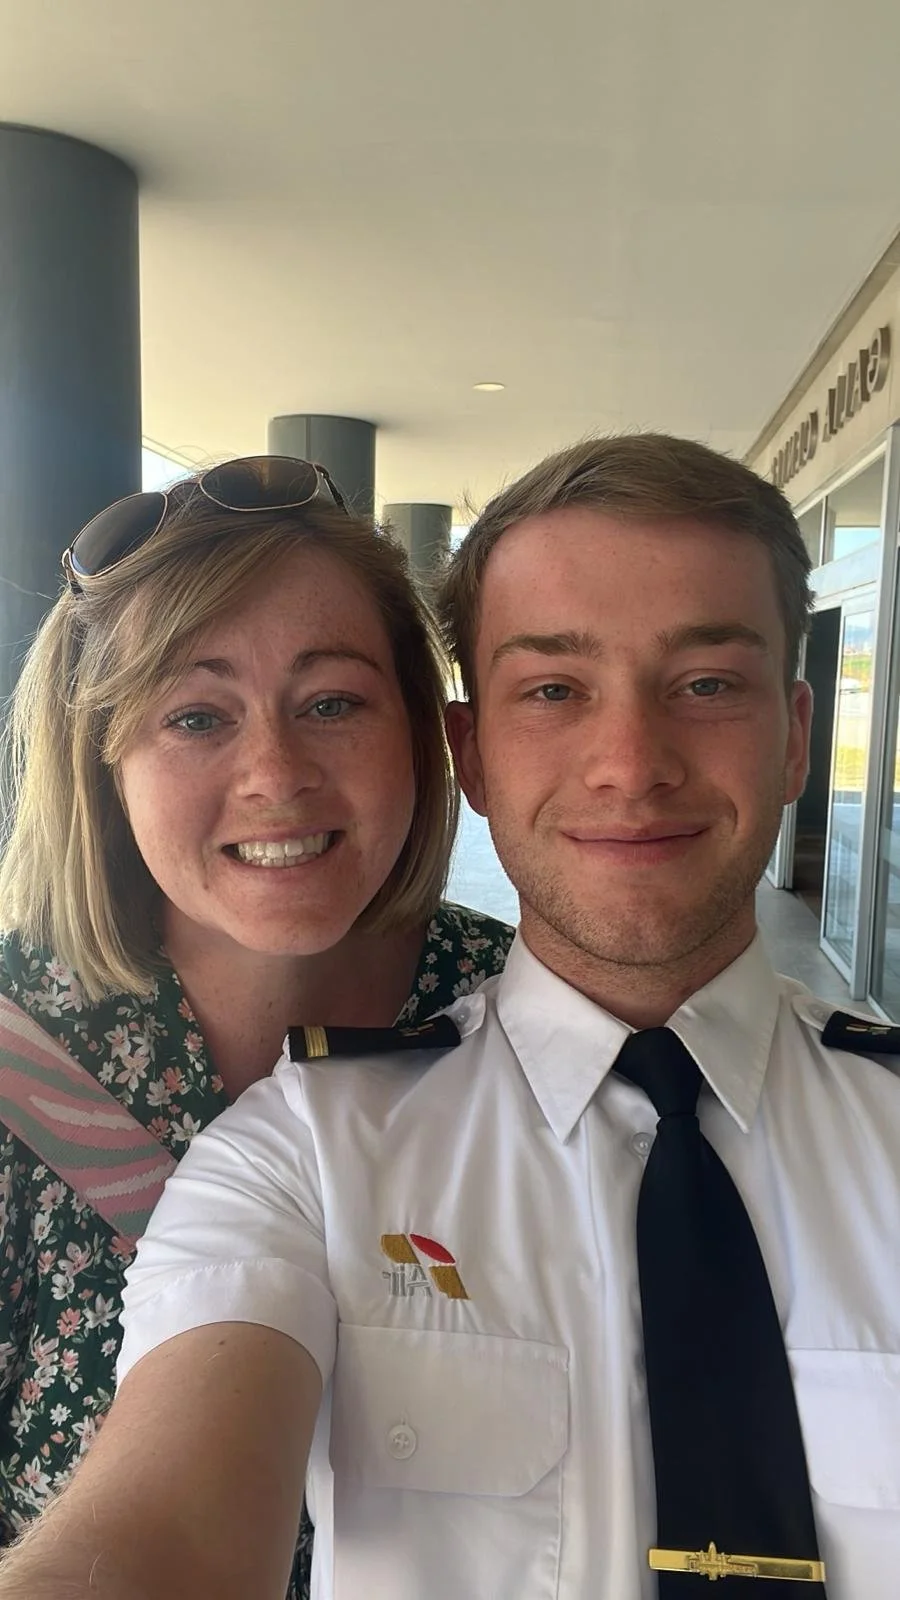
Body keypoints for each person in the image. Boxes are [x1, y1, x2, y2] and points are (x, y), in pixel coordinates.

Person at [2, 433, 899, 1600]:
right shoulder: (301, 1144)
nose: (629, 764)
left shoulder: (484, 996)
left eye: (709, 684)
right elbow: (155, 1536)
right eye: (195, 717)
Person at [0, 455, 512, 1594]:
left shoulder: (529, 1016)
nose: (275, 774)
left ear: (423, 733)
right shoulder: (14, 1045)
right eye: (195, 715)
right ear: (101, 759)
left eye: (332, 702)